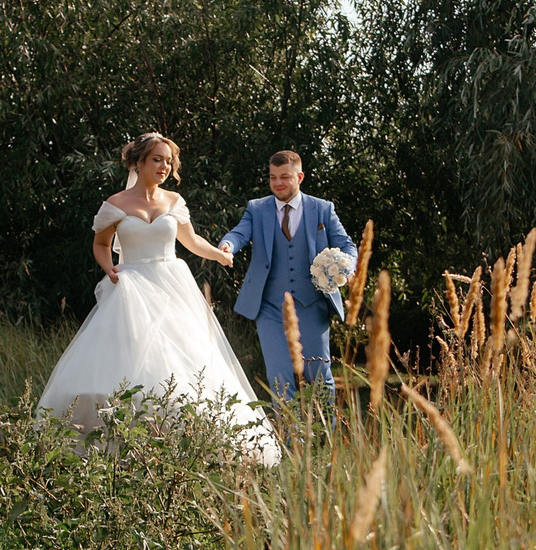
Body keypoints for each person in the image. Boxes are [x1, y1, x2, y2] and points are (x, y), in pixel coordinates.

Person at [36, 133, 280, 463]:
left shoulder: (173, 201)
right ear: (138, 162)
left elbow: (191, 241)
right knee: (132, 366)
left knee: (185, 362)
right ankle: (122, 444)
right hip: (131, 286)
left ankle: (189, 446)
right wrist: (110, 270)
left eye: (169, 160)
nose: (164, 166)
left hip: (171, 285)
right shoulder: (117, 204)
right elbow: (100, 245)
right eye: (157, 159)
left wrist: (219, 255)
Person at [216, 149, 356, 413]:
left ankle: (325, 445)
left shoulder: (322, 209)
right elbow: (239, 233)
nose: (278, 183)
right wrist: (227, 246)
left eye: (284, 177)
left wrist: (348, 269)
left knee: (320, 377)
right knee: (279, 379)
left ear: (299, 176)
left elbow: (346, 245)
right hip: (270, 307)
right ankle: (289, 446)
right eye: (272, 178)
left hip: (312, 303)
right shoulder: (257, 209)